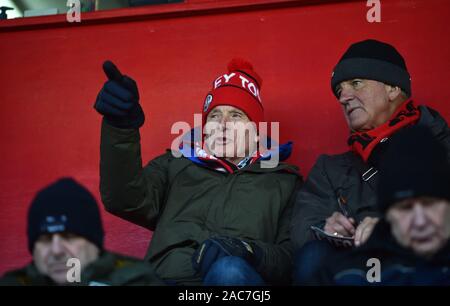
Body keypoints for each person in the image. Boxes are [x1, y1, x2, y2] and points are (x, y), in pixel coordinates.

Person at [94, 58, 302, 285]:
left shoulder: (284, 181)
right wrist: (121, 127)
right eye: (214, 115)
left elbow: (292, 261)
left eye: (236, 115)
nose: (223, 123)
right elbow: (123, 199)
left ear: (255, 130)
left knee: (229, 271)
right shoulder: (175, 164)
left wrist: (249, 251)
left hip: (234, 283)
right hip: (166, 281)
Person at [290, 39, 450, 284]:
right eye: (339, 91)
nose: (344, 97)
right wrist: (326, 228)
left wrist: (387, 228)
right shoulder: (329, 169)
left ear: (393, 88)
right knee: (313, 255)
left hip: (427, 265)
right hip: (356, 269)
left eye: (356, 84)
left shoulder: (442, 146)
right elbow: (302, 229)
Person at [316, 126, 450, 285]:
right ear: (388, 216)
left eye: (430, 204)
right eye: (405, 208)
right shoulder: (348, 275)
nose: (420, 222)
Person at [0, 178, 163, 286]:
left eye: (68, 237)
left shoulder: (138, 280)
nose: (56, 251)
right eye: (45, 239)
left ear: (95, 244)